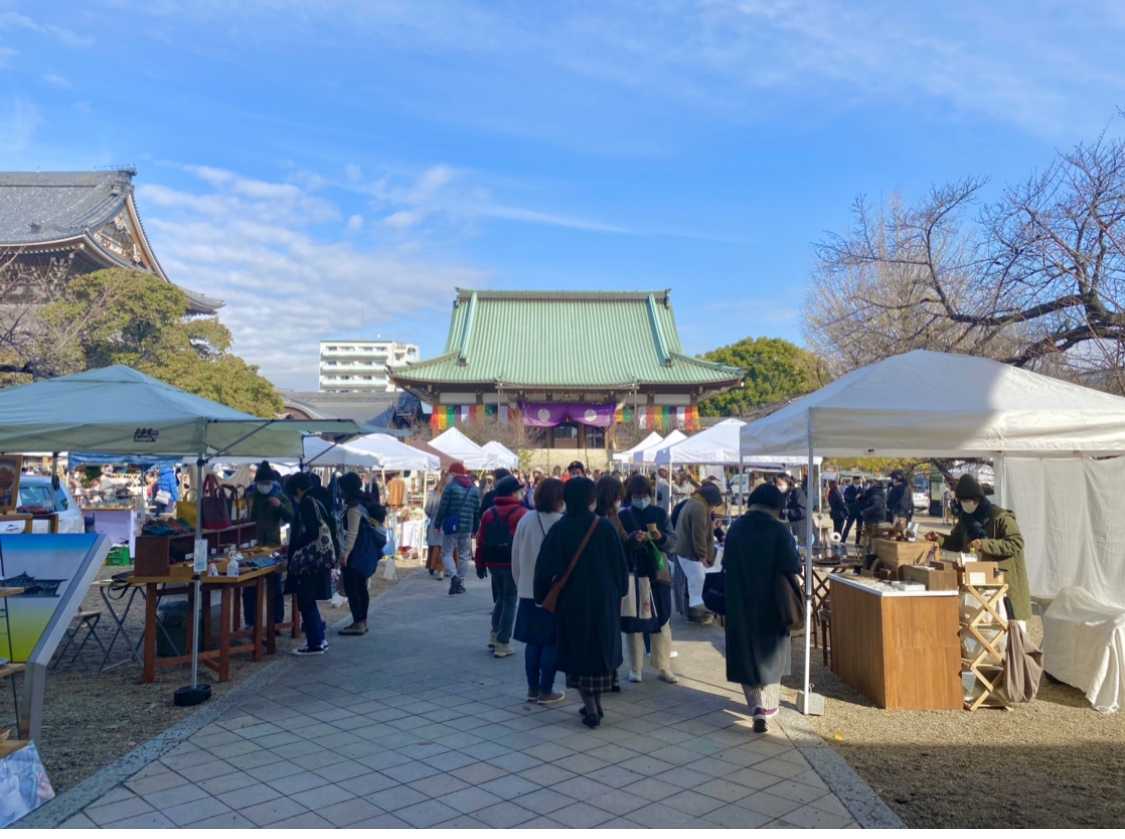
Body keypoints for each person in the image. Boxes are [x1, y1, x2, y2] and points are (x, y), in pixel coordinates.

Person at [534, 477, 627, 729]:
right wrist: (621, 592)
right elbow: (621, 564)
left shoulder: (560, 529)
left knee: (579, 653)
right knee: (600, 652)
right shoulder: (605, 526)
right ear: (591, 499)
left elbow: (543, 568)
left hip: (573, 601)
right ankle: (596, 706)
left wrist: (541, 596)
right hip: (605, 600)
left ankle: (591, 708)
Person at [723, 484, 802, 733]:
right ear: (777, 506)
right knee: (772, 655)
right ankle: (768, 707)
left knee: (745, 655)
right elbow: (793, 566)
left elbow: (726, 563)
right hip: (773, 603)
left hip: (740, 601)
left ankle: (756, 706)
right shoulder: (780, 530)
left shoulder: (735, 528)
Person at [926, 474, 1031, 620]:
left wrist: (985, 544)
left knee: (1007, 625)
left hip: (1003, 579)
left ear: (977, 500)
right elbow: (956, 542)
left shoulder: (1001, 517)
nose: (963, 504)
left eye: (966, 501)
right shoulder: (966, 519)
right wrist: (939, 539)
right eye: (960, 501)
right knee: (981, 624)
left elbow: (1016, 543)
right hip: (978, 577)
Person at [619, 474, 678, 684]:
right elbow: (619, 545)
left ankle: (663, 666)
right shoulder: (623, 516)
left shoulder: (661, 514)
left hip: (658, 573)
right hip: (634, 574)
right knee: (634, 621)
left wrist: (660, 538)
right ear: (630, 495)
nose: (641, 498)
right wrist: (633, 539)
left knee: (663, 620)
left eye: (644, 495)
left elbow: (673, 542)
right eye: (636, 495)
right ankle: (636, 667)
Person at [512, 478, 566, 704]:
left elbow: (515, 556)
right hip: (554, 592)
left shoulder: (525, 519)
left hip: (527, 589)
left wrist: (521, 582)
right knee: (550, 641)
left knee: (532, 641)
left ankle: (532, 687)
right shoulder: (562, 523)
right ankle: (547, 689)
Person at [475, 475, 528, 658]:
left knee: (501, 598)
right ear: (513, 492)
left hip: (492, 562)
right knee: (511, 600)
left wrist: (479, 564)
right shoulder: (522, 513)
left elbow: (481, 541)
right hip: (511, 562)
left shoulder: (489, 513)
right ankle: (503, 642)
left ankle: (495, 633)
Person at [285, 472, 335, 655]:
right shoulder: (320, 500)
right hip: (319, 559)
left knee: (305, 600)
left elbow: (312, 531)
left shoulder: (307, 502)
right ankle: (319, 639)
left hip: (309, 560)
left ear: (298, 490)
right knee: (309, 600)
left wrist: (296, 545)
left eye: (293, 494)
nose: (294, 498)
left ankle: (315, 643)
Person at [336, 472, 386, 636]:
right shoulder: (366, 501)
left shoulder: (354, 507)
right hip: (366, 550)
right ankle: (363, 621)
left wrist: (345, 555)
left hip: (356, 552)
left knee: (353, 589)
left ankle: (357, 622)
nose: (340, 491)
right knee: (361, 587)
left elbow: (352, 533)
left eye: (342, 488)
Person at [246, 461, 293, 629]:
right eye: (262, 483)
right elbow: (244, 517)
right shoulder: (250, 496)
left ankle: (276, 622)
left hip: (273, 546)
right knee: (249, 586)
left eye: (268, 483)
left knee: (274, 587)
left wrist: (280, 506)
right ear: (256, 483)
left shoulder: (280, 496)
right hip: (252, 546)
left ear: (273, 483)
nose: (265, 486)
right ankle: (251, 622)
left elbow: (290, 516)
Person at [674, 481, 724, 625]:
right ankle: (697, 616)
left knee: (690, 587)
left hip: (684, 552)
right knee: (698, 586)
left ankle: (692, 614)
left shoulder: (693, 502)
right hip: (691, 554)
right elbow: (698, 534)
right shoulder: (699, 508)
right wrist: (702, 555)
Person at [434, 462, 481, 595]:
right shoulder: (473, 489)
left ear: (454, 473)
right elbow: (477, 510)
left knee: (446, 552)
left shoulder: (450, 487)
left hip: (451, 525)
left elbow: (442, 508)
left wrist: (437, 524)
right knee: (464, 555)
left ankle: (454, 577)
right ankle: (460, 582)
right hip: (467, 526)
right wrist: (476, 528)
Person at [424, 473, 449, 578]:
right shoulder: (450, 495)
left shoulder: (435, 496)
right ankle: (444, 569)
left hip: (436, 521)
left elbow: (428, 509)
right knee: (447, 546)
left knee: (435, 545)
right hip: (448, 522)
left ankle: (434, 566)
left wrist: (432, 516)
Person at [776, 472, 808, 545]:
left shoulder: (797, 492)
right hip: (787, 528)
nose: (778, 486)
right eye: (777, 484)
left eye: (780, 484)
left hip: (800, 529)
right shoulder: (782, 495)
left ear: (787, 482)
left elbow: (803, 511)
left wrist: (786, 512)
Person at [841, 475, 864, 545]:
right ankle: (843, 540)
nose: (859, 481)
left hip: (860, 511)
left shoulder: (861, 489)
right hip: (852, 510)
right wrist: (855, 498)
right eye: (857, 480)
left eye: (860, 480)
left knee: (859, 528)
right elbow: (847, 498)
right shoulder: (849, 489)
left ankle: (857, 542)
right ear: (854, 480)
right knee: (848, 526)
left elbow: (864, 499)